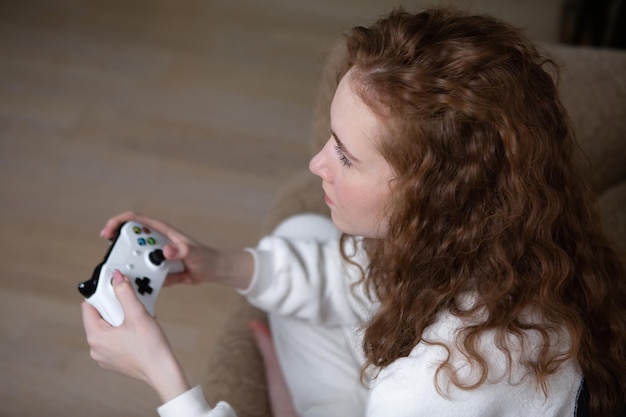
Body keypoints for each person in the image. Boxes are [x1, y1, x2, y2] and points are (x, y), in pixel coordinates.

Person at [81, 7, 626, 417]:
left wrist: (161, 373)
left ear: (433, 194)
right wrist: (218, 264)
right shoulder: (498, 240)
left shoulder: (438, 384)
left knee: (300, 260)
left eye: (344, 153)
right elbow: (358, 279)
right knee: (300, 235)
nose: (318, 163)